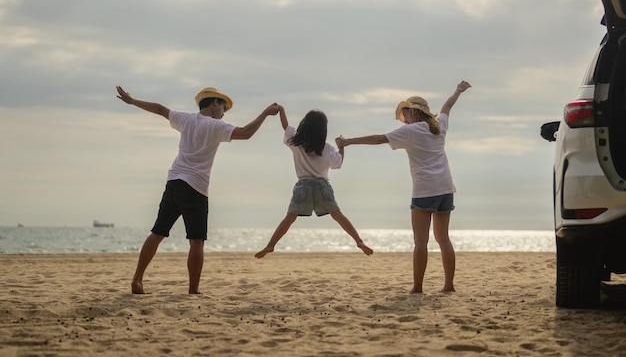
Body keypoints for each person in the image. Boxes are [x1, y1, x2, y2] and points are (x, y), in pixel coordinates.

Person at [115, 85, 279, 294]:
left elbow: (160, 109)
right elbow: (245, 133)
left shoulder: (185, 119)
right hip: (195, 187)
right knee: (196, 241)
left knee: (157, 233)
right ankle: (193, 290)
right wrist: (265, 113)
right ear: (213, 103)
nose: (223, 113)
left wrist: (133, 101)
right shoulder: (215, 126)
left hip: (174, 181)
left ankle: (137, 279)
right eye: (223, 108)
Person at [336, 80, 471, 293]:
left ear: (412, 112)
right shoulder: (439, 126)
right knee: (443, 239)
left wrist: (348, 142)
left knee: (420, 241)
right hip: (446, 188)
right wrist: (458, 91)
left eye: (405, 115)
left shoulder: (412, 131)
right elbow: (447, 107)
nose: (404, 120)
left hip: (425, 191)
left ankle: (417, 287)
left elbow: (379, 139)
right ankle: (449, 285)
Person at [255, 106, 374, 259]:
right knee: (337, 214)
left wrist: (282, 110)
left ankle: (271, 245)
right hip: (322, 185)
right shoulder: (326, 148)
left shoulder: (296, 142)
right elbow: (338, 164)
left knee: (290, 217)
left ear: (304, 124)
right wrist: (341, 147)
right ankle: (359, 241)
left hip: (303, 185)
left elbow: (286, 127)